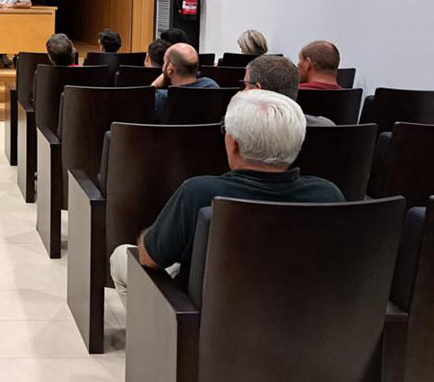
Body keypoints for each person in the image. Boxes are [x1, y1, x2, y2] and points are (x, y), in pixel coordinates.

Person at [109, 90, 345, 306]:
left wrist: (151, 236)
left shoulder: (199, 192)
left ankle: (162, 345)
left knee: (122, 255)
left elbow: (150, 258)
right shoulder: (328, 194)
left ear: (233, 144)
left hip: (210, 322)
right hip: (302, 318)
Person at [244, 56, 335, 126]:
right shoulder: (326, 125)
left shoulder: (241, 133)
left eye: (246, 85)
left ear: (257, 90)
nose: (243, 91)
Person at [151, 43, 219, 119]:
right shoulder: (212, 86)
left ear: (170, 69)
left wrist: (154, 86)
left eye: (164, 62)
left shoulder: (161, 98)